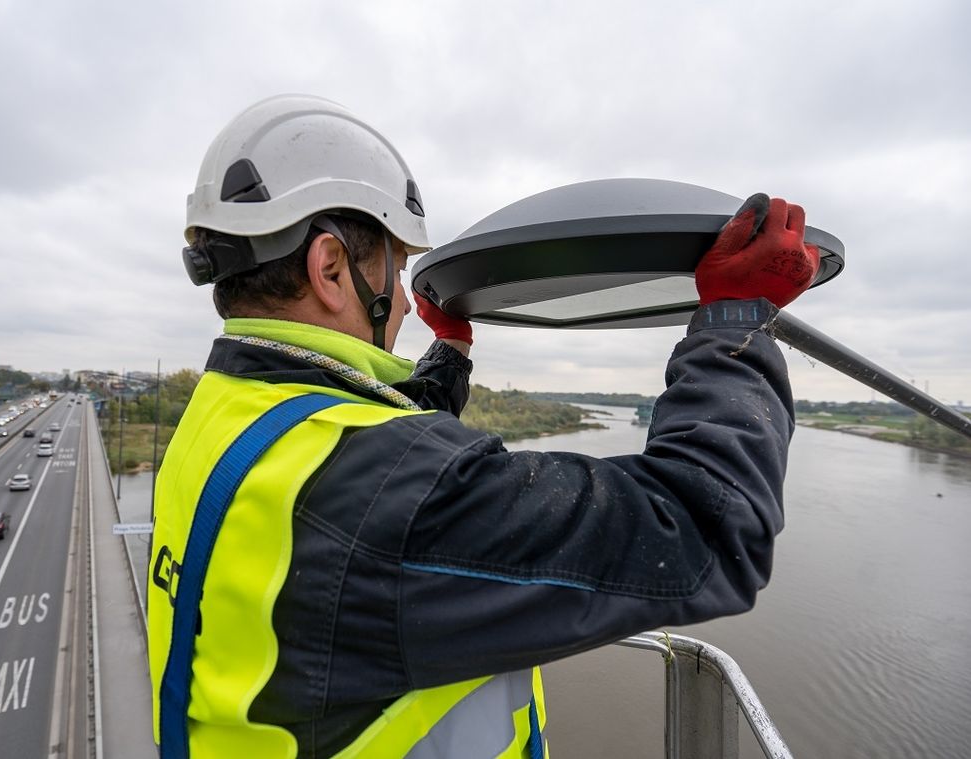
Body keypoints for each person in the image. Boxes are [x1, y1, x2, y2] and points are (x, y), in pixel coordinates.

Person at [148, 94, 820, 759]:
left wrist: (451, 354)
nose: (408, 302)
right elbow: (702, 531)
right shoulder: (376, 492)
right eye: (397, 268)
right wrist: (736, 318)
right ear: (330, 269)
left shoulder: (223, 415)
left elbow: (371, 491)